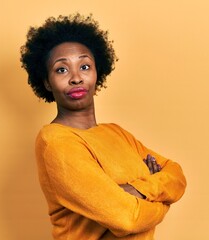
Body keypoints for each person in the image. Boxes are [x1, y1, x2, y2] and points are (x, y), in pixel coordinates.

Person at [20, 13, 186, 240]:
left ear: (98, 73)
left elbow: (176, 175)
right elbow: (128, 219)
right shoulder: (56, 142)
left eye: (85, 66)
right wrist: (164, 202)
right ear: (47, 82)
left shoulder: (116, 133)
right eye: (62, 69)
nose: (76, 78)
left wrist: (137, 190)